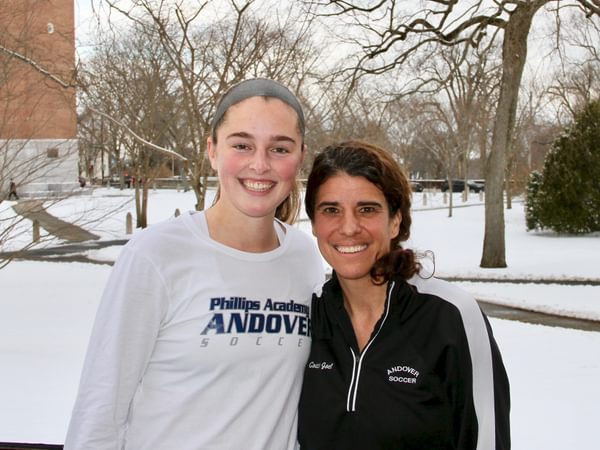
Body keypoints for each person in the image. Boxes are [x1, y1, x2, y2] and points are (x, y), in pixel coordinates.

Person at [65, 78, 325, 450]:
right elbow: (100, 410)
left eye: (279, 148)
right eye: (241, 144)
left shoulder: (303, 257)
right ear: (212, 150)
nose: (260, 164)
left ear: (301, 155)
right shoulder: (156, 254)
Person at [298, 141, 510, 449]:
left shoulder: (450, 316)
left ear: (395, 220)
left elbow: (486, 441)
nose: (348, 227)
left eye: (367, 209)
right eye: (331, 210)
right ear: (315, 223)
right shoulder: (310, 317)